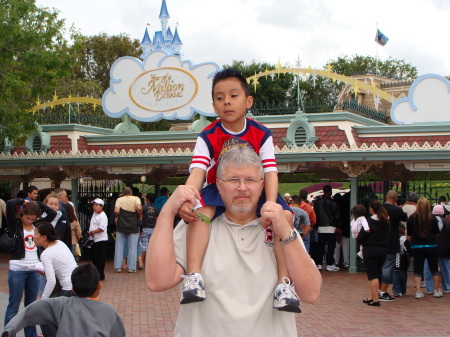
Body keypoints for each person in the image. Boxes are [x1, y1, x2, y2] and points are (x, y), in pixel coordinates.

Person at [146, 146, 321, 337]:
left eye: (250, 180)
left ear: (263, 185)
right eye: (233, 180)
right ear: (218, 185)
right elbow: (158, 281)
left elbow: (311, 293)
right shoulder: (197, 225)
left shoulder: (282, 231)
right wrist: (167, 212)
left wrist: (287, 232)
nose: (242, 188)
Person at [178, 68, 295, 310]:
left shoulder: (261, 133)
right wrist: (188, 199)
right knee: (200, 215)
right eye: (219, 98)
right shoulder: (208, 135)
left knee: (284, 218)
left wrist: (271, 204)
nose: (227, 102)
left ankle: (284, 283)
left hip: (256, 188)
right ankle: (194, 276)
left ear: (248, 101)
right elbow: (198, 171)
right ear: (213, 104)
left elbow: (270, 171)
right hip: (218, 188)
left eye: (233, 95)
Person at [2, 263, 126, 337]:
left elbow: (32, 310)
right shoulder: (109, 311)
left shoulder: (61, 304)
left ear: (73, 289)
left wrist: (10, 329)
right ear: (99, 285)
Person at [4, 199, 42, 337]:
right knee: (14, 305)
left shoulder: (37, 226)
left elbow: (50, 213)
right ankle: (9, 333)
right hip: (18, 268)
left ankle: (30, 334)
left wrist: (37, 204)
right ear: (22, 215)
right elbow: (9, 204)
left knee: (31, 306)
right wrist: (24, 201)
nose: (30, 221)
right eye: (27, 218)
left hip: (34, 268)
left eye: (33, 219)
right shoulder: (15, 225)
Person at [406, 197, 442, 298]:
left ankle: (418, 291)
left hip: (417, 246)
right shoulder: (432, 218)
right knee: (434, 268)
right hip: (431, 245)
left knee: (418, 269)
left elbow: (409, 234)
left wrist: (412, 243)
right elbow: (436, 232)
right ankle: (435, 290)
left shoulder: (412, 218)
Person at [358, 200, 390, 307]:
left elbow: (361, 237)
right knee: (374, 273)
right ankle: (370, 297)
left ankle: (375, 299)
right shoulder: (386, 222)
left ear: (371, 209)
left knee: (373, 275)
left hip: (370, 250)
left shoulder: (369, 222)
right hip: (383, 250)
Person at [34, 222, 77, 299]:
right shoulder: (60, 243)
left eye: (35, 234)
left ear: (44, 237)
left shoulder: (46, 254)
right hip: (77, 286)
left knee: (49, 308)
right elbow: (63, 267)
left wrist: (43, 300)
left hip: (68, 289)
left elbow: (51, 282)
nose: (33, 237)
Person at [379, 190, 408, 301]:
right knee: (388, 267)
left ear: (386, 196)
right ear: (396, 199)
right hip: (392, 241)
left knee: (380, 266)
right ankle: (383, 291)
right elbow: (405, 218)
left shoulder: (380, 208)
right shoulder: (397, 210)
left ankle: (378, 289)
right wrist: (397, 206)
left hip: (380, 240)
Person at [114, 188, 142, 273]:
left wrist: (116, 217)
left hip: (121, 223)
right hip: (133, 223)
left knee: (119, 245)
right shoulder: (136, 199)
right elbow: (139, 208)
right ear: (131, 193)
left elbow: (116, 210)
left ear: (123, 193)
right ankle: (132, 267)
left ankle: (118, 267)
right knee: (133, 246)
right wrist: (140, 216)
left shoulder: (119, 199)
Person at [314, 185, 341, 271]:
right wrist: (338, 226)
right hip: (331, 227)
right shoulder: (333, 203)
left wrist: (316, 226)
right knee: (331, 247)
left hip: (320, 227)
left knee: (320, 246)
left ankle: (319, 263)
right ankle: (330, 264)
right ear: (330, 192)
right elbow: (337, 216)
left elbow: (316, 215)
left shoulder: (318, 203)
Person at [88, 198, 108, 281]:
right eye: (94, 205)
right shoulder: (94, 214)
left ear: (101, 206)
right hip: (94, 239)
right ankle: (97, 274)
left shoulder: (102, 216)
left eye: (97, 205)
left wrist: (92, 232)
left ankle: (100, 274)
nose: (95, 207)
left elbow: (102, 228)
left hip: (101, 239)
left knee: (100, 258)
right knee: (95, 258)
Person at [138, 193, 159, 269]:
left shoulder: (144, 208)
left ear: (147, 199)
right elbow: (157, 220)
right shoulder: (156, 208)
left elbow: (140, 218)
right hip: (153, 229)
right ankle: (151, 263)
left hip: (144, 228)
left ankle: (142, 263)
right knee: (151, 247)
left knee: (143, 246)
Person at [392, 224, 411, 297]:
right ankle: (403, 290)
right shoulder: (405, 240)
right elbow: (408, 250)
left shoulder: (394, 239)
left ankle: (396, 290)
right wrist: (410, 255)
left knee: (396, 275)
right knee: (403, 276)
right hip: (404, 261)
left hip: (395, 260)